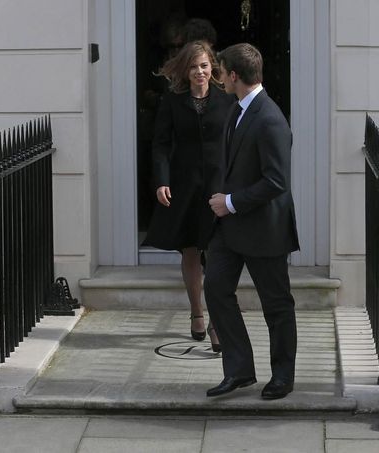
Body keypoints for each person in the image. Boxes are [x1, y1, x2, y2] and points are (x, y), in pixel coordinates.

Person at [204, 43, 299, 400]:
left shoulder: (270, 117)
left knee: (276, 305)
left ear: (234, 76)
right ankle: (240, 370)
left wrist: (229, 202)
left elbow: (277, 181)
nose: (218, 78)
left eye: (221, 72)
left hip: (265, 230)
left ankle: (283, 377)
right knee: (215, 288)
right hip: (230, 229)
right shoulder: (237, 109)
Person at [143, 41, 234, 351]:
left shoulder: (227, 100)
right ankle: (197, 312)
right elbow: (161, 144)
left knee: (219, 255)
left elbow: (236, 143)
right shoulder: (173, 101)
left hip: (219, 187)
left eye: (204, 65)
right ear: (185, 70)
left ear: (213, 68)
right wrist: (162, 181)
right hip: (184, 186)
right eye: (194, 66)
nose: (200, 71)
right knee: (191, 251)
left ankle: (217, 322)